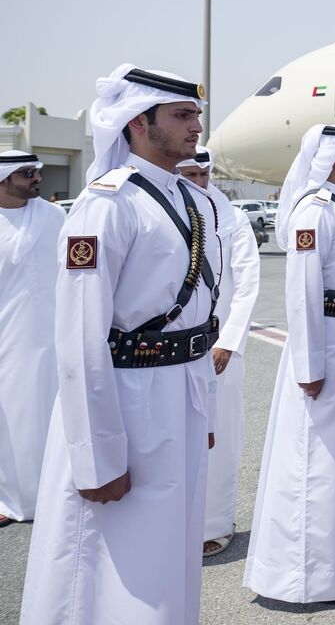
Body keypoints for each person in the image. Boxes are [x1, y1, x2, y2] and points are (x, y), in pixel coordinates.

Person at [22, 64, 218, 625]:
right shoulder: (106, 203)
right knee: (114, 563)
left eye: (197, 115)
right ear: (138, 123)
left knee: (168, 554)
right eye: (182, 116)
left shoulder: (191, 199)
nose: (195, 127)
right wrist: (96, 457)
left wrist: (199, 404)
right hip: (126, 404)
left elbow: (201, 319)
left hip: (177, 396)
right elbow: (80, 340)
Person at [244, 124, 335, 603]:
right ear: (330, 156)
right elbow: (301, 293)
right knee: (317, 460)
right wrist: (309, 365)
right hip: (327, 348)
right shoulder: (314, 210)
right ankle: (308, 574)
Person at [176, 147, 261, 558]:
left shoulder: (232, 219)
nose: (196, 183)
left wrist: (229, 340)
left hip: (218, 349)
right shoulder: (163, 212)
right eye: (187, 174)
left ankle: (214, 523)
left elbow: (247, 285)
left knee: (220, 437)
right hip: (168, 350)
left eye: (202, 175)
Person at [0, 151, 64, 527]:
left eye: (37, 171)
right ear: (4, 178)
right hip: (9, 337)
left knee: (54, 416)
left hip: (55, 335)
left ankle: (56, 496)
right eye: (28, 173)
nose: (37, 178)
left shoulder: (56, 216)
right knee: (13, 418)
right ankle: (12, 499)